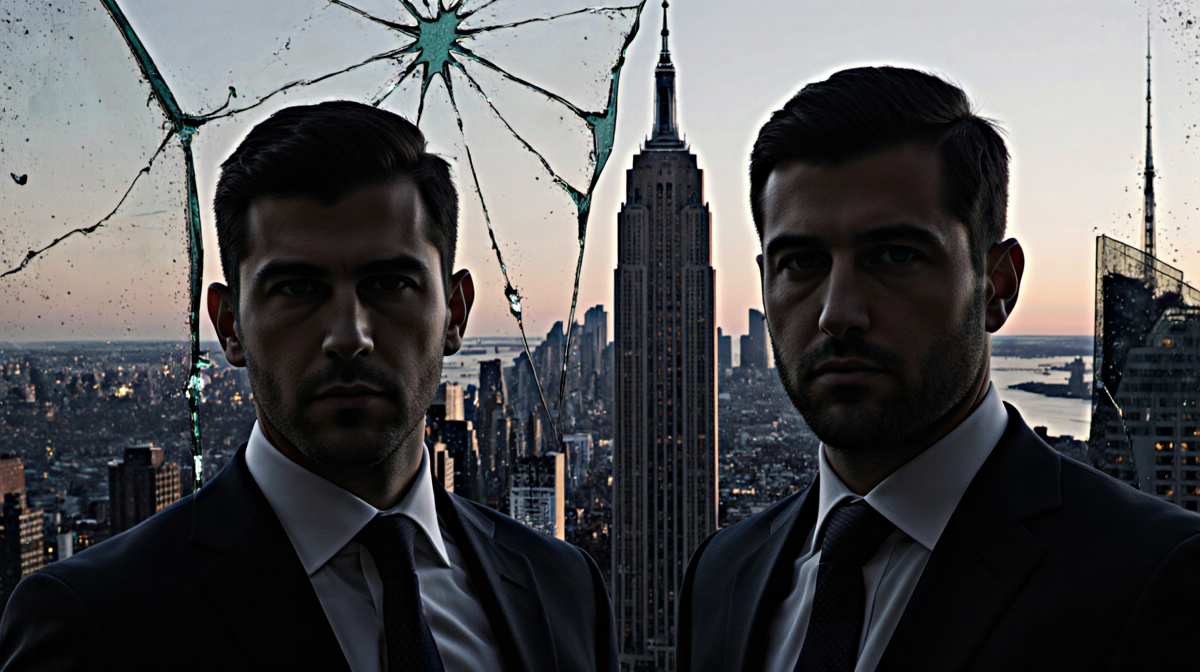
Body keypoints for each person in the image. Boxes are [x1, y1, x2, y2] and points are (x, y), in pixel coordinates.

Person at [0, 101, 617, 672]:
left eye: (390, 284)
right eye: (297, 288)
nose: (349, 336)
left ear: (454, 313)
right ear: (229, 326)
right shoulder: (94, 622)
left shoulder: (563, 588)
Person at [678, 67, 1200, 672]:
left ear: (997, 286)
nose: (837, 313)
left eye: (894, 256)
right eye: (801, 263)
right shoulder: (722, 573)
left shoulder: (1154, 576)